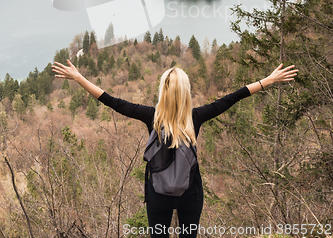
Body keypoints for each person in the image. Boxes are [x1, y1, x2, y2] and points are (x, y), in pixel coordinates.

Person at [52, 59, 297, 238]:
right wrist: (268, 81)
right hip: (190, 194)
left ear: (162, 92)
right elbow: (233, 98)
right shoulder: (196, 117)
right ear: (186, 92)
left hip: (158, 195)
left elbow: (111, 101)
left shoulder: (151, 117)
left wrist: (79, 78)